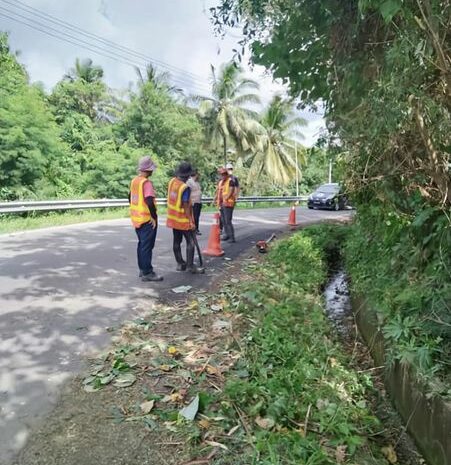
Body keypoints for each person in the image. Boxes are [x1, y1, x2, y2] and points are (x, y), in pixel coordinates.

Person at [129, 156, 163, 282]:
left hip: (137, 219)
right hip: (147, 219)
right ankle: (148, 272)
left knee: (142, 245)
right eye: (151, 169)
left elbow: (130, 197)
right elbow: (149, 200)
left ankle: (142, 270)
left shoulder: (134, 181)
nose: (152, 171)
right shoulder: (146, 183)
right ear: (148, 170)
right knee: (147, 246)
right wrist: (154, 217)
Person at [166, 162, 204, 274]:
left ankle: (180, 263)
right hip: (182, 219)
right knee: (190, 242)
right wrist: (190, 221)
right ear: (188, 175)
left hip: (173, 218)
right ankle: (190, 266)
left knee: (176, 241)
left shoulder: (172, 182)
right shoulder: (184, 187)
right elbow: (186, 205)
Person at [215, 166, 237, 243]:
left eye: (224, 174)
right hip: (222, 204)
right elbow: (218, 191)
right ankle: (227, 235)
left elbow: (231, 191)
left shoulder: (230, 181)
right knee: (223, 221)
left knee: (228, 221)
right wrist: (215, 199)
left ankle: (232, 237)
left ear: (226, 174)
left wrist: (226, 198)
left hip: (228, 204)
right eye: (221, 174)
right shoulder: (221, 182)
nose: (222, 176)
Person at [186, 171, 202, 235]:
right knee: (194, 216)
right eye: (198, 174)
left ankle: (196, 228)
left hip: (198, 201)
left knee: (197, 216)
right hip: (193, 202)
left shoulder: (197, 182)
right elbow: (188, 192)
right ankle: (193, 229)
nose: (199, 176)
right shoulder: (189, 182)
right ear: (195, 175)